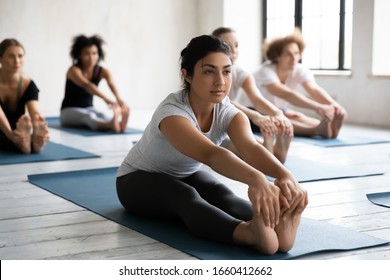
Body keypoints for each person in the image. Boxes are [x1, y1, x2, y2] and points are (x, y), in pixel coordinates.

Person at [116, 35, 308, 255]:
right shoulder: (172, 113)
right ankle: (248, 234)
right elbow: (211, 154)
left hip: (184, 173)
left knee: (222, 194)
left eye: (226, 71)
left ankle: (274, 220)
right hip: (136, 180)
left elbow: (250, 147)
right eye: (209, 71)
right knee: (185, 197)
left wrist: (284, 175)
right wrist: (257, 180)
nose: (220, 81)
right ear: (187, 75)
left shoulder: (227, 111)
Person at [212, 27, 293, 163]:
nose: (233, 51)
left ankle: (272, 144)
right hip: (210, 124)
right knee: (254, 153)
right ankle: (268, 149)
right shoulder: (209, 71)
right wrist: (255, 115)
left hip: (228, 121)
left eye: (236, 45)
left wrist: (278, 114)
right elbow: (222, 101)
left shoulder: (241, 73)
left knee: (267, 154)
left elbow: (257, 99)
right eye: (227, 46)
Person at [249, 30, 347, 138]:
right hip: (253, 111)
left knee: (296, 116)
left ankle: (329, 128)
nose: (294, 58)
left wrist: (334, 106)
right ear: (277, 57)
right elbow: (287, 94)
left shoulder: (299, 69)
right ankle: (316, 130)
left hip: (278, 109)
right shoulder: (265, 71)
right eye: (288, 54)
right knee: (279, 121)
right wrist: (318, 107)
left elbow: (314, 90)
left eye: (296, 53)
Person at [60, 34, 130, 133]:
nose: (91, 57)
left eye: (94, 53)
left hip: (89, 108)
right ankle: (111, 125)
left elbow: (111, 84)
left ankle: (119, 123)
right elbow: (88, 85)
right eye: (86, 54)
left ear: (99, 54)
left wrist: (119, 100)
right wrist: (107, 100)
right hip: (68, 112)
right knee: (89, 117)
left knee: (103, 115)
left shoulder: (102, 71)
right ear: (79, 55)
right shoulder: (73, 71)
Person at [0, 38, 49, 154]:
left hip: (18, 128)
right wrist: (10, 134)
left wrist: (38, 124)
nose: (17, 61)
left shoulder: (28, 84)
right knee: (7, 136)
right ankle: (22, 143)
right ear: (1, 59)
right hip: (4, 128)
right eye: (11, 56)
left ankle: (28, 142)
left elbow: (34, 110)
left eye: (20, 56)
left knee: (30, 126)